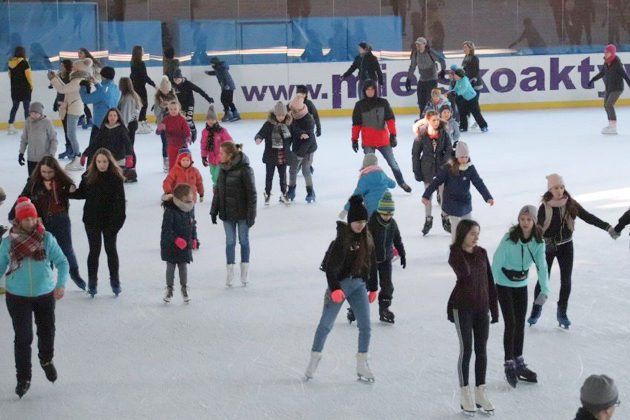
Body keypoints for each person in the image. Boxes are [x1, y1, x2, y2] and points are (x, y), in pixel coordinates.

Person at [528, 174, 618, 329]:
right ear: (550, 189)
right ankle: (537, 309)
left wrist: (607, 226)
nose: (559, 190)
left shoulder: (570, 204)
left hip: (566, 246)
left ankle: (562, 313)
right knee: (543, 280)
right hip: (548, 247)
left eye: (562, 187)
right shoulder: (545, 207)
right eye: (556, 188)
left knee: (566, 280)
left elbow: (588, 217)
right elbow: (538, 230)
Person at [0, 197, 68, 398]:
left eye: (32, 218)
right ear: (18, 221)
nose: (30, 222)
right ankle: (24, 378)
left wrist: (61, 284)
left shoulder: (46, 238)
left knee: (47, 331)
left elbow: (62, 262)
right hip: (17, 296)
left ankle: (46, 359)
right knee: (23, 338)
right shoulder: (8, 243)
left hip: (44, 294)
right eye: (25, 219)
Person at [304, 195, 377, 382]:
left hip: (359, 285)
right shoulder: (342, 240)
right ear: (350, 221)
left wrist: (373, 287)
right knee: (325, 325)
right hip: (341, 285)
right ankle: (314, 358)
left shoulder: (368, 239)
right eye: (356, 221)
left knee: (366, 326)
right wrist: (335, 288)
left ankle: (362, 363)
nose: (360, 225)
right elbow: (330, 268)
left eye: (363, 221)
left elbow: (372, 264)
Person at [491, 205, 550, 388]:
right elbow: (497, 260)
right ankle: (508, 361)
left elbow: (542, 266)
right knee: (511, 323)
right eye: (522, 219)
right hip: (503, 283)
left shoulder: (538, 242)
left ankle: (519, 360)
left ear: (534, 221)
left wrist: (545, 289)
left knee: (520, 324)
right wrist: (490, 287)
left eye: (528, 219)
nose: (524, 223)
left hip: (520, 284)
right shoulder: (510, 238)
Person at [9, 156, 86, 291]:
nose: (46, 175)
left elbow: (73, 191)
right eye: (44, 172)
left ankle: (74, 274)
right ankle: (47, 279)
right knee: (45, 250)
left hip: (61, 219)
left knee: (66, 249)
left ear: (55, 170)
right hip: (42, 221)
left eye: (50, 172)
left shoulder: (62, 181)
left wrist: (72, 188)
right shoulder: (33, 183)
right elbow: (23, 197)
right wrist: (13, 214)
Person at [447, 219, 498, 416]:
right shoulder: (455, 255)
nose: (477, 237)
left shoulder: (482, 253)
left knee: (481, 350)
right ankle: (464, 392)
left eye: (478, 233)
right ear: (462, 235)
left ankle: (480, 392)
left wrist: (494, 309)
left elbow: (490, 282)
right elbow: (464, 274)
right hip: (463, 309)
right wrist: (461, 249)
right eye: (472, 234)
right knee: (466, 349)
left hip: (482, 308)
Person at [70, 148, 126, 298]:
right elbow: (81, 194)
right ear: (95, 162)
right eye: (99, 161)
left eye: (105, 162)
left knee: (111, 250)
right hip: (92, 221)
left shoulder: (116, 178)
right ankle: (92, 283)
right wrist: (70, 192)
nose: (102, 164)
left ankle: (115, 282)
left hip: (110, 222)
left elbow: (121, 204)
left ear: (110, 162)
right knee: (94, 251)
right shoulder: (88, 177)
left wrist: (117, 224)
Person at [422, 142, 494, 242]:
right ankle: (455, 248)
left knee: (468, 226)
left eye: (466, 157)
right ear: (456, 157)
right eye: (461, 157)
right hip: (451, 202)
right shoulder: (448, 168)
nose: (464, 159)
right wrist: (426, 195)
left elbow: (479, 183)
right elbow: (437, 181)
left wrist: (488, 197)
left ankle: (468, 247)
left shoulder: (470, 168)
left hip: (465, 201)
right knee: (456, 227)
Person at [351, 79, 412, 193]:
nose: (370, 91)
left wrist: (393, 135)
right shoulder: (359, 105)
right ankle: (366, 187)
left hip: (383, 141)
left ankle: (401, 182)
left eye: (372, 89)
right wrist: (354, 139)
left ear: (375, 90)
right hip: (368, 142)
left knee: (393, 163)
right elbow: (356, 125)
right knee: (369, 167)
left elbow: (390, 120)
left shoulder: (383, 102)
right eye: (367, 89)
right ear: (364, 91)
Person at [210, 142, 256, 287]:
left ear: (229, 155)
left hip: (242, 214)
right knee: (230, 242)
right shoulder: (222, 169)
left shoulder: (245, 170)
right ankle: (230, 271)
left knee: (243, 241)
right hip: (227, 213)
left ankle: (244, 271)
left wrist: (251, 214)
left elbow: (252, 193)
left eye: (221, 153)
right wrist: (214, 210)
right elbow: (218, 192)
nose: (219, 155)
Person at [366, 191, 405, 323]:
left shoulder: (392, 224)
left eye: (390, 214)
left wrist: (402, 254)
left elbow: (397, 240)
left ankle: (384, 309)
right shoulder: (371, 223)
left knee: (387, 286)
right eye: (385, 214)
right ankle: (356, 308)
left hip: (385, 260)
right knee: (367, 285)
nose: (387, 217)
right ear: (380, 211)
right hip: (370, 260)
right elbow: (364, 240)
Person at [412, 110, 452, 236]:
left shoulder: (444, 133)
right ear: (428, 120)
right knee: (427, 196)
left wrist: (445, 163)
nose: (436, 122)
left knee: (443, 195)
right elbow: (415, 154)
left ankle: (445, 218)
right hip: (427, 169)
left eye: (437, 119)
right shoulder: (421, 135)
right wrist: (417, 171)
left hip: (441, 169)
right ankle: (428, 219)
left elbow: (449, 149)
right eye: (433, 120)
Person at [48, 58, 92, 170]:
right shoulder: (76, 79)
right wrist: (56, 78)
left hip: (74, 108)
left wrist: (53, 79)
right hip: (72, 107)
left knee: (71, 134)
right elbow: (66, 88)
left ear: (79, 68)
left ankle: (77, 157)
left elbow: (63, 89)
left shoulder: (77, 80)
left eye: (75, 66)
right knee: (70, 134)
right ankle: (76, 156)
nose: (72, 67)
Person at [163, 148, 204, 249]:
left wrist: (201, 193)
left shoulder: (195, 171)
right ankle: (180, 239)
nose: (186, 162)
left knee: (191, 221)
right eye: (183, 160)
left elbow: (199, 183)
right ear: (179, 161)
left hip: (191, 202)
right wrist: (168, 191)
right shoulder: (175, 171)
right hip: (179, 201)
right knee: (179, 221)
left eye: (188, 160)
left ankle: (193, 239)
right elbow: (167, 181)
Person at [161, 183, 195, 303]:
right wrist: (175, 240)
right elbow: (166, 230)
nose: (192, 195)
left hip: (185, 245)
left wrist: (194, 238)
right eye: (190, 194)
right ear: (182, 197)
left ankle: (184, 288)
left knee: (183, 267)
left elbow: (192, 225)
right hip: (171, 245)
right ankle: (169, 289)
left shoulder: (188, 208)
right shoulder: (170, 211)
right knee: (170, 267)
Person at [254, 101, 292, 205]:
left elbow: (293, 136)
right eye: (279, 115)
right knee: (269, 177)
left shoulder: (288, 125)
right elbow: (260, 133)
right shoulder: (268, 125)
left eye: (283, 115)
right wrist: (258, 138)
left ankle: (284, 194)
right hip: (271, 156)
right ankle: (267, 194)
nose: (281, 117)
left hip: (283, 157)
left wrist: (302, 135)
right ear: (275, 114)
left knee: (283, 177)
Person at [588, 44, 630, 134]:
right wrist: (592, 80)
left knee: (609, 105)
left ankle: (613, 127)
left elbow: (625, 76)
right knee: (605, 105)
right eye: (605, 52)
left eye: (607, 52)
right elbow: (602, 73)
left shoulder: (617, 64)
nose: (605, 53)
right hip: (609, 87)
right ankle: (610, 124)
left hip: (617, 88)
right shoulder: (606, 63)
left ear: (612, 53)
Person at [339, 153, 395, 218]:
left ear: (364, 164)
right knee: (385, 223)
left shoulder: (364, 178)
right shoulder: (382, 174)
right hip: (387, 205)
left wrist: (346, 209)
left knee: (373, 225)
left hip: (373, 209)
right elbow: (393, 184)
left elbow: (356, 195)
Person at [80, 66, 121, 150]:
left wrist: (83, 87)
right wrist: (96, 83)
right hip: (111, 121)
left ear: (103, 76)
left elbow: (86, 99)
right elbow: (104, 92)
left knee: (94, 150)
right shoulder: (115, 87)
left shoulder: (102, 90)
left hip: (100, 124)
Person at [287, 94, 318, 203]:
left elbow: (308, 140)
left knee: (305, 170)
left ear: (300, 109)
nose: (293, 112)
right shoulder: (292, 117)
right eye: (292, 110)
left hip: (308, 149)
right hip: (297, 147)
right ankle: (291, 190)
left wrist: (300, 155)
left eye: (295, 110)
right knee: (292, 170)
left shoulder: (309, 120)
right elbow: (292, 131)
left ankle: (310, 192)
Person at [406, 37, 446, 115]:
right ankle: (422, 116)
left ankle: (432, 117)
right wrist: (408, 79)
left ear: (424, 44)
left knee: (430, 100)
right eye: (416, 44)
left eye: (419, 44)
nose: (417, 45)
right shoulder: (415, 54)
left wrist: (443, 70)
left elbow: (441, 60)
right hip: (422, 79)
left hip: (432, 79)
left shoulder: (430, 52)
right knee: (421, 100)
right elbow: (412, 66)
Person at [172, 68, 214, 143]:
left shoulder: (188, 84)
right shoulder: (173, 85)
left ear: (181, 78)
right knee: (181, 121)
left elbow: (199, 90)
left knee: (189, 119)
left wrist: (208, 98)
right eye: (175, 80)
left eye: (178, 80)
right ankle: (183, 135)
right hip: (180, 106)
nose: (177, 82)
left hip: (190, 104)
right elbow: (167, 95)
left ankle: (194, 132)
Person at [19, 102, 57, 177]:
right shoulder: (28, 122)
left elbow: (54, 139)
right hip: (31, 158)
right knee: (32, 179)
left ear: (40, 113)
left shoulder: (47, 122)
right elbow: (24, 139)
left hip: (44, 158)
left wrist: (51, 154)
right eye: (31, 113)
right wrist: (21, 153)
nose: (33, 115)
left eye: (36, 113)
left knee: (43, 179)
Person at [201, 105, 233, 193]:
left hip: (221, 158)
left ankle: (220, 189)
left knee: (218, 175)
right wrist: (203, 157)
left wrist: (229, 153)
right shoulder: (205, 132)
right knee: (213, 175)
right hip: (211, 159)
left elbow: (229, 141)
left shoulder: (222, 131)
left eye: (213, 119)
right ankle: (216, 188)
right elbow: (203, 145)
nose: (210, 121)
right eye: (209, 119)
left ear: (216, 120)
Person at [154, 76, 180, 172]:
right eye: (163, 90)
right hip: (163, 125)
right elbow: (156, 113)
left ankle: (175, 160)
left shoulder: (173, 96)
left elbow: (178, 109)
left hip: (174, 124)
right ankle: (166, 161)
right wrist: (161, 106)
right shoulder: (157, 98)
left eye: (167, 90)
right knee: (165, 143)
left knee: (174, 142)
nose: (165, 92)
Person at [117, 77, 141, 182]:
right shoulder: (131, 96)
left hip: (128, 125)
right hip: (131, 124)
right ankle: (130, 170)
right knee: (129, 147)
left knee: (129, 148)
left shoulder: (127, 98)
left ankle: (131, 172)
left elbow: (125, 115)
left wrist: (122, 128)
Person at [450, 68, 488, 133]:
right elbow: (456, 88)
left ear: (459, 75)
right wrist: (451, 92)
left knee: (476, 113)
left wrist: (456, 93)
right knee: (462, 112)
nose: (454, 76)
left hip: (472, 98)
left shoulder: (465, 80)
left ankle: (483, 126)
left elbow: (463, 89)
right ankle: (463, 127)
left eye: (455, 75)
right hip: (465, 99)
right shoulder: (458, 80)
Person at [157, 101, 191, 171]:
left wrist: (188, 136)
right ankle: (172, 177)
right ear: (168, 110)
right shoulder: (166, 119)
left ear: (178, 109)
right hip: (171, 145)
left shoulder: (182, 119)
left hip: (182, 145)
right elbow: (159, 128)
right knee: (172, 162)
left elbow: (187, 130)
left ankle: (183, 176)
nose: (173, 111)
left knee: (182, 161)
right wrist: (159, 130)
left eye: (175, 109)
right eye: (171, 109)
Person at [130, 45, 155, 135]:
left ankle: (143, 122)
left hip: (136, 87)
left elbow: (133, 76)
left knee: (142, 105)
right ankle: (140, 124)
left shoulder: (133, 62)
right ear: (139, 52)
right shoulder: (140, 63)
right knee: (144, 105)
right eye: (142, 50)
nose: (144, 51)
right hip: (140, 87)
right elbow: (145, 77)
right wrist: (154, 85)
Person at [205, 57, 240, 122]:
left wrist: (226, 85)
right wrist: (209, 73)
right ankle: (235, 114)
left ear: (215, 63)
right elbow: (216, 73)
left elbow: (225, 77)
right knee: (229, 101)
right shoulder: (220, 68)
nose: (211, 65)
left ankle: (228, 113)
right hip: (228, 86)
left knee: (223, 99)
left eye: (212, 64)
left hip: (227, 86)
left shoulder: (221, 69)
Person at [51, 59, 74, 160]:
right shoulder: (60, 76)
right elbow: (59, 92)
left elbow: (67, 91)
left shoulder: (70, 77)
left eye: (62, 66)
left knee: (69, 130)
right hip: (60, 105)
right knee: (65, 129)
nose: (60, 67)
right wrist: (55, 102)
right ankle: (68, 148)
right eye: (60, 65)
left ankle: (73, 149)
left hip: (68, 105)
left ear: (67, 67)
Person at [7, 46, 33, 135]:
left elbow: (10, 75)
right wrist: (31, 86)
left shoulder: (10, 63)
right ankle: (28, 128)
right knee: (26, 108)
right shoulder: (25, 63)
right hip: (25, 88)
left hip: (14, 89)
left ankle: (10, 126)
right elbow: (28, 76)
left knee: (14, 107)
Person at [77, 48, 103, 129]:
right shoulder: (81, 63)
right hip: (81, 84)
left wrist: (92, 78)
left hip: (85, 84)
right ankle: (83, 117)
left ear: (85, 54)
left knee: (82, 102)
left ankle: (88, 119)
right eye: (78, 53)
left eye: (80, 53)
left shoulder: (87, 62)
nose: (79, 54)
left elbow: (93, 72)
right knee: (80, 102)